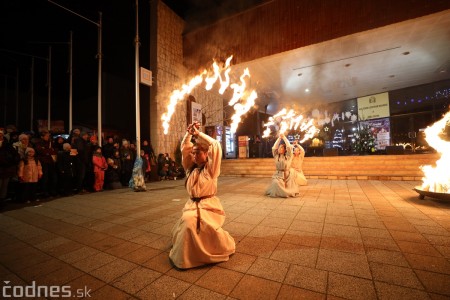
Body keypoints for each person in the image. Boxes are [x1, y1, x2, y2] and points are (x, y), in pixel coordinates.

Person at [169, 122, 235, 269]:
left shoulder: (211, 170)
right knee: (188, 222)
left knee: (189, 222)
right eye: (193, 152)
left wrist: (198, 134)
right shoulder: (190, 170)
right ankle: (186, 255)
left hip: (208, 206)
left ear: (206, 155)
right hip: (192, 205)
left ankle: (194, 255)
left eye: (198, 152)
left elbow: (216, 145)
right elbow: (184, 149)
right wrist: (189, 134)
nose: (193, 155)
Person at [265, 133, 299, 198]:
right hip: (278, 175)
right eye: (279, 148)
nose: (280, 149)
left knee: (287, 185)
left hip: (287, 175)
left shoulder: (288, 156)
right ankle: (280, 193)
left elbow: (289, 147)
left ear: (284, 150)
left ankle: (285, 192)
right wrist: (279, 138)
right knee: (276, 182)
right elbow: (274, 147)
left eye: (282, 148)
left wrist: (284, 138)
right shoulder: (276, 156)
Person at [0, 129, 20, 209]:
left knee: (4, 185)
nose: (0, 136)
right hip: (1, 168)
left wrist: (12, 161)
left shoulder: (7, 145)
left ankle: (2, 200)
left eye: (1, 135)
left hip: (7, 169)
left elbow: (15, 154)